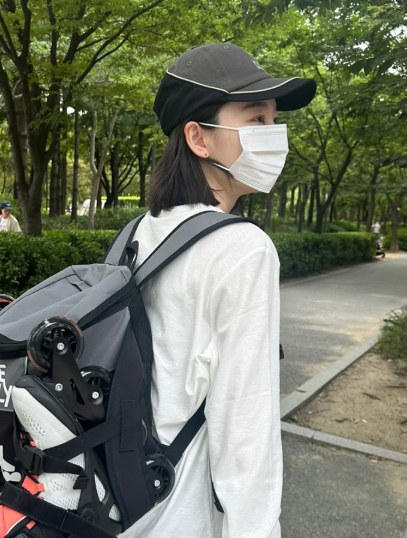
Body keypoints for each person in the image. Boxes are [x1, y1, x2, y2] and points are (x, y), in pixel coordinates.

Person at [123, 44, 316, 538]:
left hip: (124, 506)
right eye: (256, 119)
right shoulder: (242, 249)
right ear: (198, 138)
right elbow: (246, 429)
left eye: (274, 120)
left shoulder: (137, 233)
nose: (273, 134)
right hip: (181, 517)